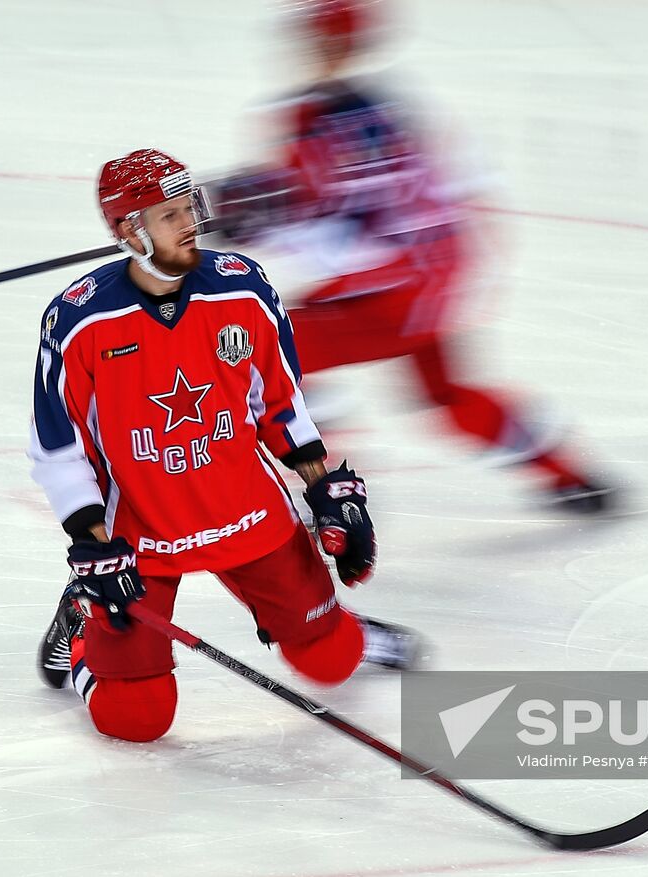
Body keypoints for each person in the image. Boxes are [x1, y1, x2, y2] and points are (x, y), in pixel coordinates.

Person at [30, 148, 416, 743]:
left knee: (330, 661)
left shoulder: (243, 289)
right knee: (135, 719)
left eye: (189, 207)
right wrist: (92, 544)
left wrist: (324, 488)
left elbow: (279, 405)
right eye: (168, 214)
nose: (189, 223)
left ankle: (337, 627)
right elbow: (57, 448)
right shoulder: (79, 322)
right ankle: (83, 629)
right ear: (130, 231)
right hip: (140, 538)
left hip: (245, 512)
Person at [209, 0, 616, 512]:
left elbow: (338, 219)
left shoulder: (314, 118)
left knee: (275, 353)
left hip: (395, 287)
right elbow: (364, 198)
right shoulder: (385, 108)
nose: (309, 48)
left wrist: (256, 217)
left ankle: (330, 489)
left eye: (318, 38)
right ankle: (569, 473)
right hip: (432, 276)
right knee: (446, 396)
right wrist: (260, 205)